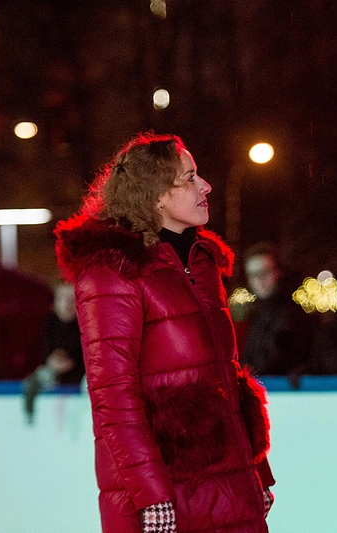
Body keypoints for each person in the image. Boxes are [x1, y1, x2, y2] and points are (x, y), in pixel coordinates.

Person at [54, 133, 274, 533]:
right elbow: (112, 396)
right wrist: (151, 495)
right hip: (164, 495)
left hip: (228, 483)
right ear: (155, 195)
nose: (204, 186)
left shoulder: (201, 261)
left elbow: (226, 379)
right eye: (189, 178)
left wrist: (257, 469)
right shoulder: (113, 272)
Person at [236, 241, 314, 380]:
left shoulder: (293, 315)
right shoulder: (255, 314)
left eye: (264, 272)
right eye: (253, 275)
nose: (259, 280)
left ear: (278, 272)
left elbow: (273, 362)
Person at [22, 281, 84, 423]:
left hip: (80, 373)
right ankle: (30, 418)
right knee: (31, 382)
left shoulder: (85, 323)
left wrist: (70, 363)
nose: (66, 305)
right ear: (55, 301)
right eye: (61, 299)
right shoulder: (50, 321)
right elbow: (46, 350)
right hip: (55, 370)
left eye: (71, 300)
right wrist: (52, 362)